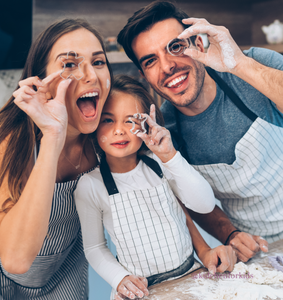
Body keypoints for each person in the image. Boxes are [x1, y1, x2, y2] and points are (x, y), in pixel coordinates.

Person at [117, 0, 283, 263]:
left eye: (175, 47)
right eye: (151, 61)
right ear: (143, 74)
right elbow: (194, 202)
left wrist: (238, 64)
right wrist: (231, 234)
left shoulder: (254, 66)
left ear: (196, 42)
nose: (167, 66)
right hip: (258, 249)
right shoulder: (164, 135)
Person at [74, 75, 237, 300]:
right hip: (140, 291)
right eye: (108, 120)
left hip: (190, 275)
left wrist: (170, 156)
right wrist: (120, 278)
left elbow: (202, 205)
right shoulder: (90, 185)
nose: (120, 130)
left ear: (146, 122)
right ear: (93, 125)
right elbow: (94, 248)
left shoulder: (160, 162)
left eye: (131, 120)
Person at [0, 18, 113, 299]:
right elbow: (15, 260)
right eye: (69, 64)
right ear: (42, 81)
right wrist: (53, 135)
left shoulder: (108, 133)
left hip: (62, 270)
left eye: (99, 62)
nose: (90, 75)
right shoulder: (10, 139)